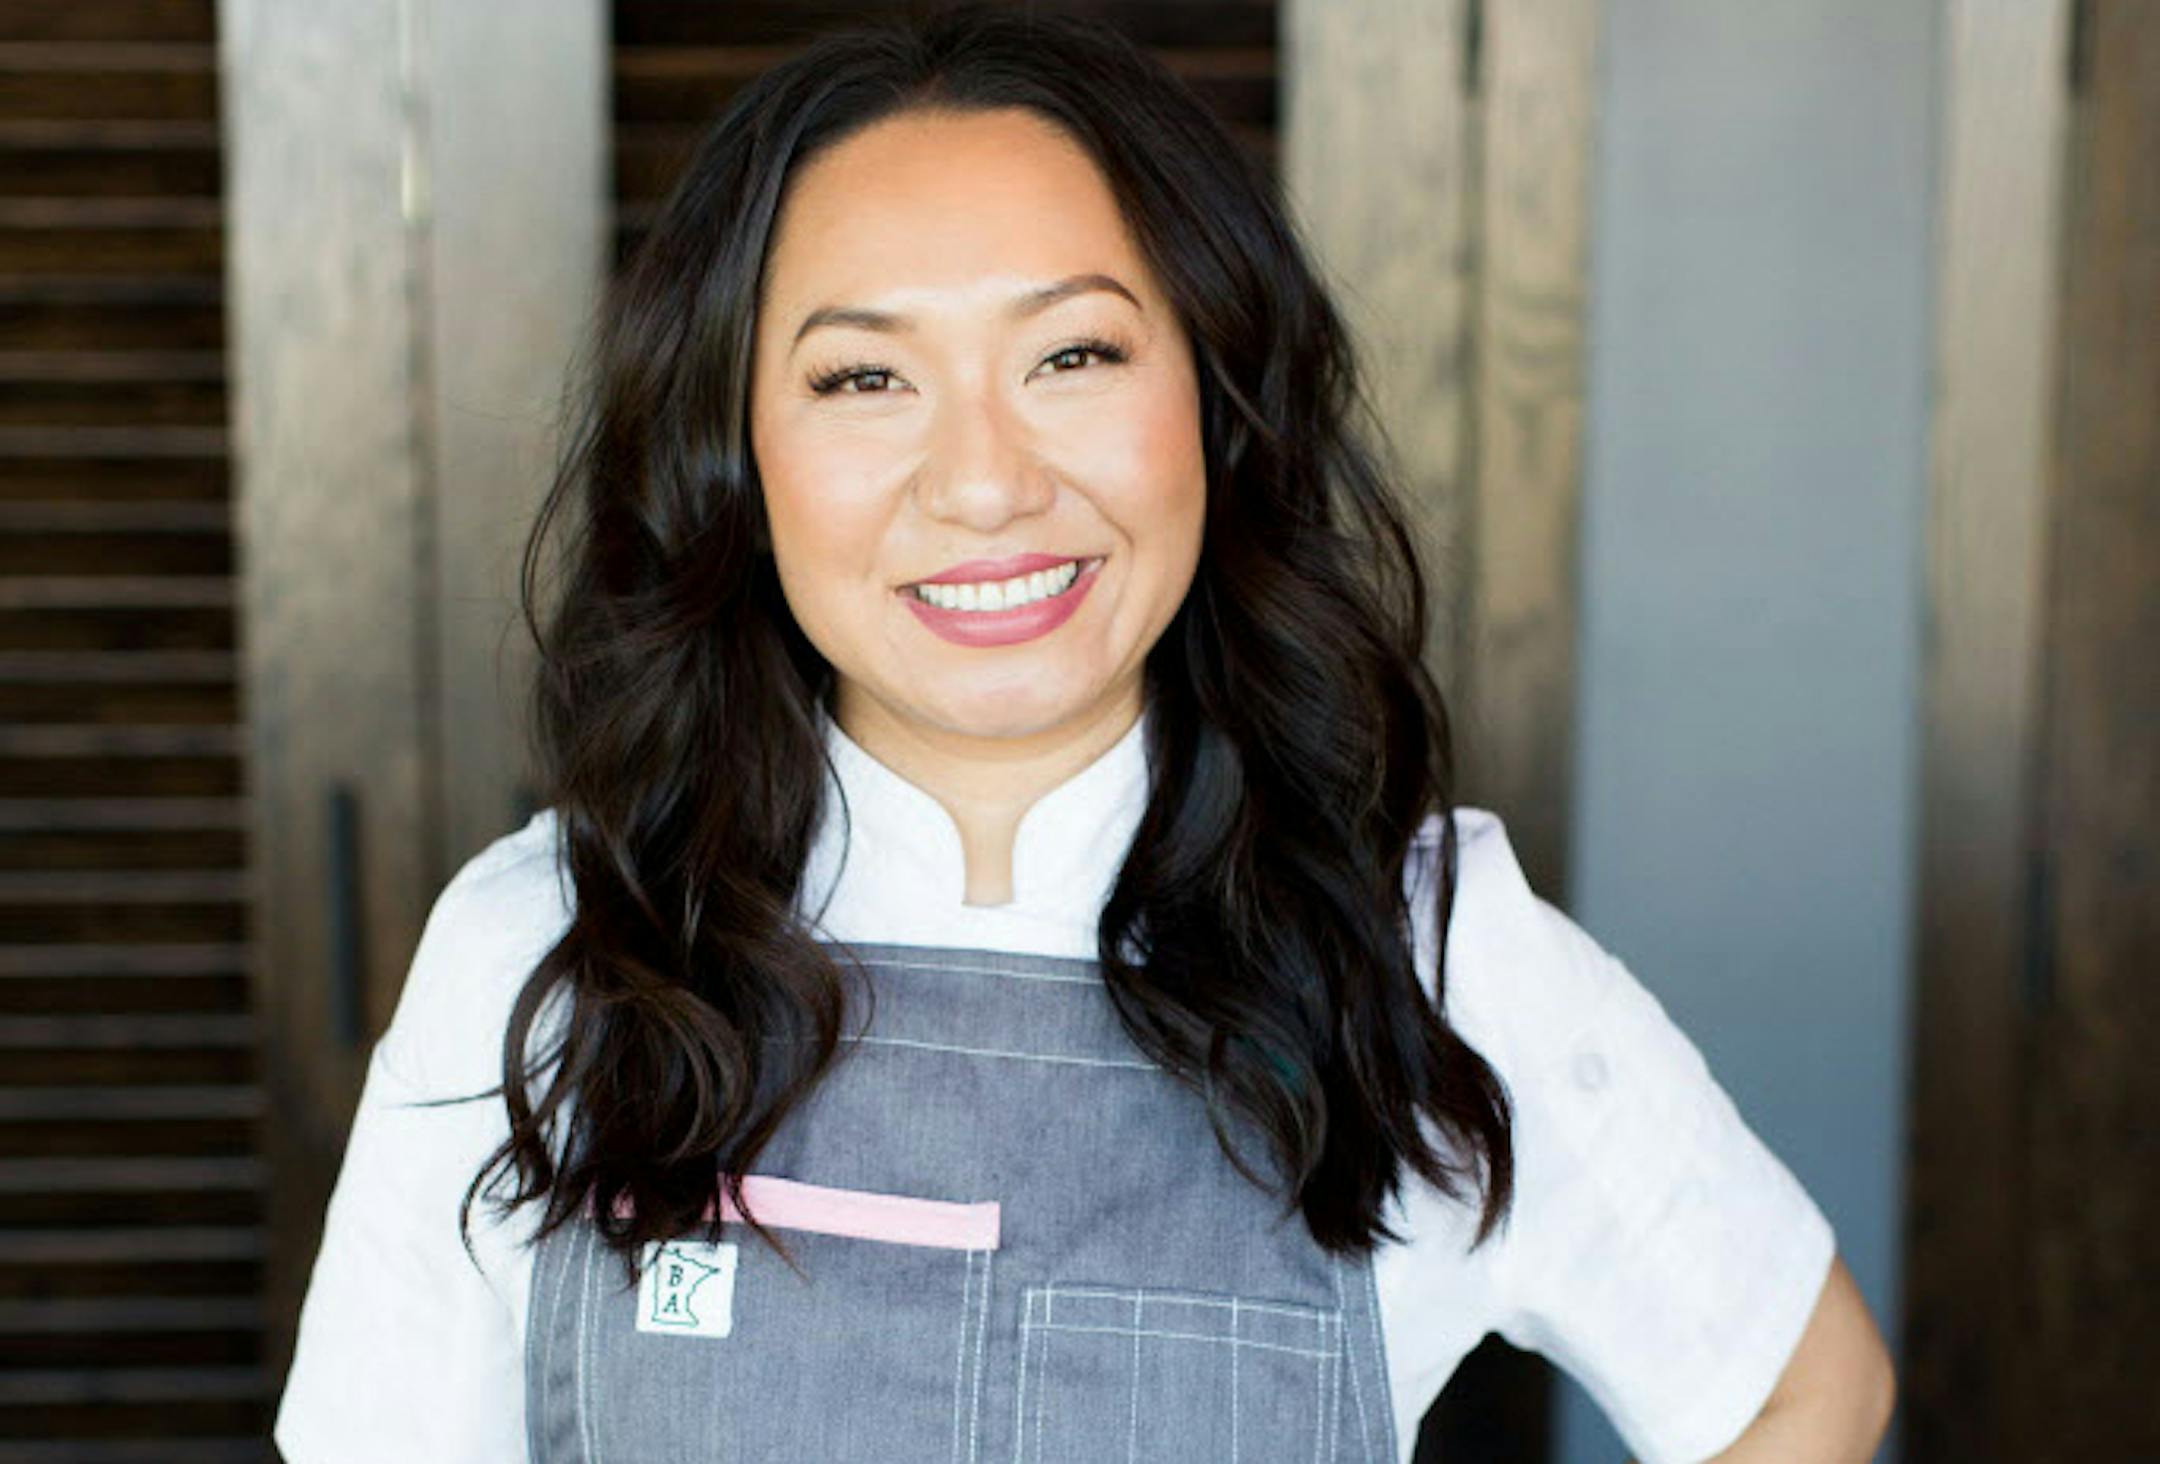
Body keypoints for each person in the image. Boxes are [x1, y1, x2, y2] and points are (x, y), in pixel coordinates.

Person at [271, 8, 1894, 1462]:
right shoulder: (540, 956)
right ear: (734, 462)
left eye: (1073, 354)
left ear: (1215, 396)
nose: (983, 482)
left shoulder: (1424, 961)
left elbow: (1800, 1390)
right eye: (862, 380)